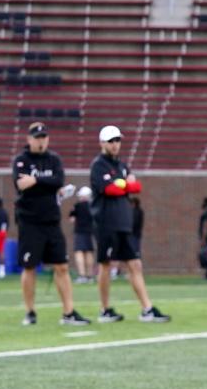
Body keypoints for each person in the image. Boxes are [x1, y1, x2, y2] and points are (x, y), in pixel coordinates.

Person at [11, 122, 90, 325]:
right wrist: (48, 185)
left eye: (44, 137)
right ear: (29, 139)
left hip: (51, 221)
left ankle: (69, 312)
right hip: (30, 221)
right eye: (37, 137)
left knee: (62, 266)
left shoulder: (54, 159)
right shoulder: (21, 160)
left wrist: (36, 182)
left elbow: (58, 181)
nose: (41, 141)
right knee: (29, 267)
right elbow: (20, 184)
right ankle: (30, 312)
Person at [90, 124, 170, 323]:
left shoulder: (122, 166)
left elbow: (136, 187)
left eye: (117, 140)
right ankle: (105, 309)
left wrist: (123, 184)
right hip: (106, 222)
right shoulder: (98, 165)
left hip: (124, 222)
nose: (115, 144)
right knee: (106, 265)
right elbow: (109, 189)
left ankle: (147, 308)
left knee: (135, 264)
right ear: (102, 143)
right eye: (111, 141)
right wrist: (125, 184)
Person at [69, 186, 95, 283]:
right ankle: (90, 276)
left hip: (79, 231)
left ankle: (82, 275)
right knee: (89, 252)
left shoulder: (77, 206)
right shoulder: (93, 206)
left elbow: (72, 219)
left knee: (79, 252)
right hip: (89, 232)